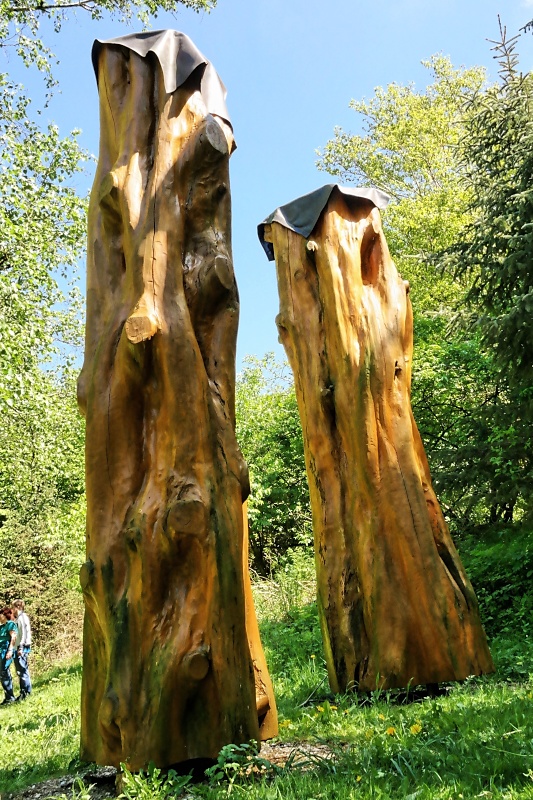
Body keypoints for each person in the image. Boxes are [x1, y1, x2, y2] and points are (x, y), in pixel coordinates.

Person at [12, 599, 32, 701]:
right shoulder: (18, 618)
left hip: (22, 647)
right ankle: (23, 691)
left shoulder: (22, 618)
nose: (12, 610)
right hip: (18, 647)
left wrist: (20, 647)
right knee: (20, 671)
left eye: (13, 607)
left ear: (18, 607)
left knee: (23, 670)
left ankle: (26, 692)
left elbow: (24, 633)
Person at [0, 607, 17, 705]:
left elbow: (13, 637)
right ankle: (7, 697)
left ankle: (10, 697)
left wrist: (10, 650)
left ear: (4, 614)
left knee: (5, 672)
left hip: (5, 649)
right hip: (0, 650)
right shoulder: (2, 626)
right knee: (2, 674)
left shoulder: (10, 624)